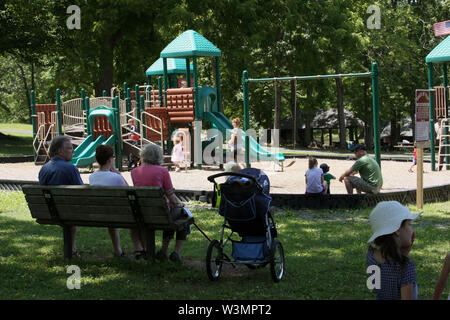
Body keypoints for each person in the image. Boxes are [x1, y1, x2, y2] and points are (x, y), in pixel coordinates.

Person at [130, 143, 187, 262]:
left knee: (171, 213)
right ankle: (172, 251)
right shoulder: (162, 171)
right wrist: (181, 205)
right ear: (158, 156)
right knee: (183, 215)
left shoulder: (134, 172)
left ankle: (163, 252)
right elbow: (171, 195)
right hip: (160, 214)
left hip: (142, 214)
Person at [38, 135, 83, 258]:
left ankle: (71, 249)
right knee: (71, 213)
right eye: (69, 148)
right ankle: (72, 249)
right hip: (68, 211)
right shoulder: (70, 169)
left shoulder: (44, 168)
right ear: (60, 151)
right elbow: (81, 192)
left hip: (49, 211)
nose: (73, 151)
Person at [366, 201, 421, 300]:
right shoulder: (406, 267)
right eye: (409, 224)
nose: (411, 229)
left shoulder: (371, 256)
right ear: (398, 229)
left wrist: (404, 253)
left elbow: (373, 288)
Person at [89, 145, 127, 257]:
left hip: (98, 213)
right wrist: (118, 174)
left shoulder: (92, 176)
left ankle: (117, 249)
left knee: (110, 211)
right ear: (110, 160)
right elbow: (129, 190)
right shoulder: (116, 177)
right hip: (116, 213)